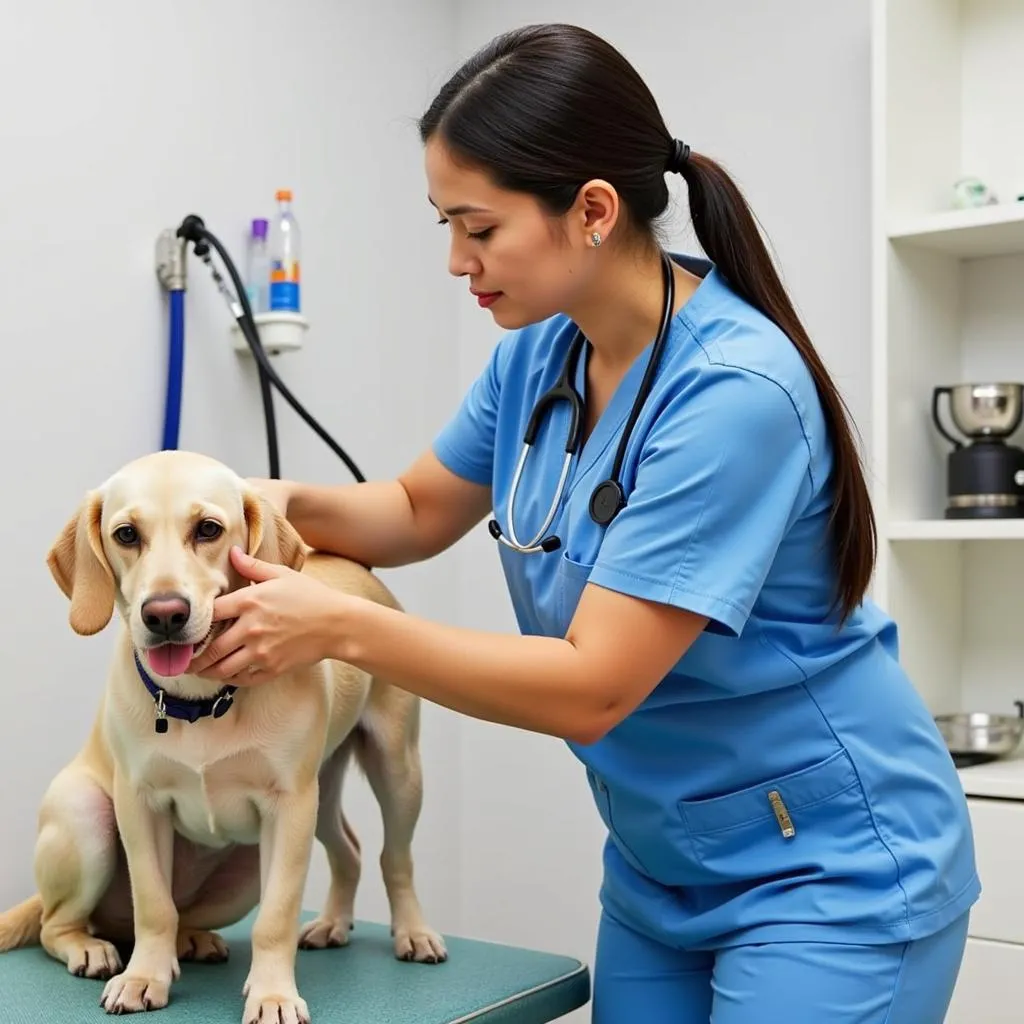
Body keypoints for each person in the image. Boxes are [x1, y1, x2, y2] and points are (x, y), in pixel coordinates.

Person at [189, 22, 980, 1023]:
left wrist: (340, 626)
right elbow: (412, 508)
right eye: (444, 225)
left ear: (593, 210)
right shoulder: (539, 354)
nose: (454, 261)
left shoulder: (732, 392)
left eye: (478, 229)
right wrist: (242, 502)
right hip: (661, 864)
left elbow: (593, 686)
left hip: (828, 870)